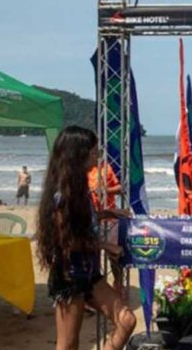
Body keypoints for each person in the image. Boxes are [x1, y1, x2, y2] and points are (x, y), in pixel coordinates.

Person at [35, 126, 136, 350]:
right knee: (68, 344)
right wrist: (106, 245)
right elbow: (67, 240)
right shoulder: (62, 195)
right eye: (93, 151)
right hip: (70, 277)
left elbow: (82, 220)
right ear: (77, 155)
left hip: (90, 274)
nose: (97, 155)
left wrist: (109, 213)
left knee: (127, 320)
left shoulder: (80, 187)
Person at [88, 159, 125, 297]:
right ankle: (96, 287)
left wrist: (105, 190)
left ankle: (118, 284)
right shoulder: (84, 168)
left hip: (109, 218)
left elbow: (120, 188)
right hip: (90, 218)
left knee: (114, 255)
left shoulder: (108, 167)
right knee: (93, 253)